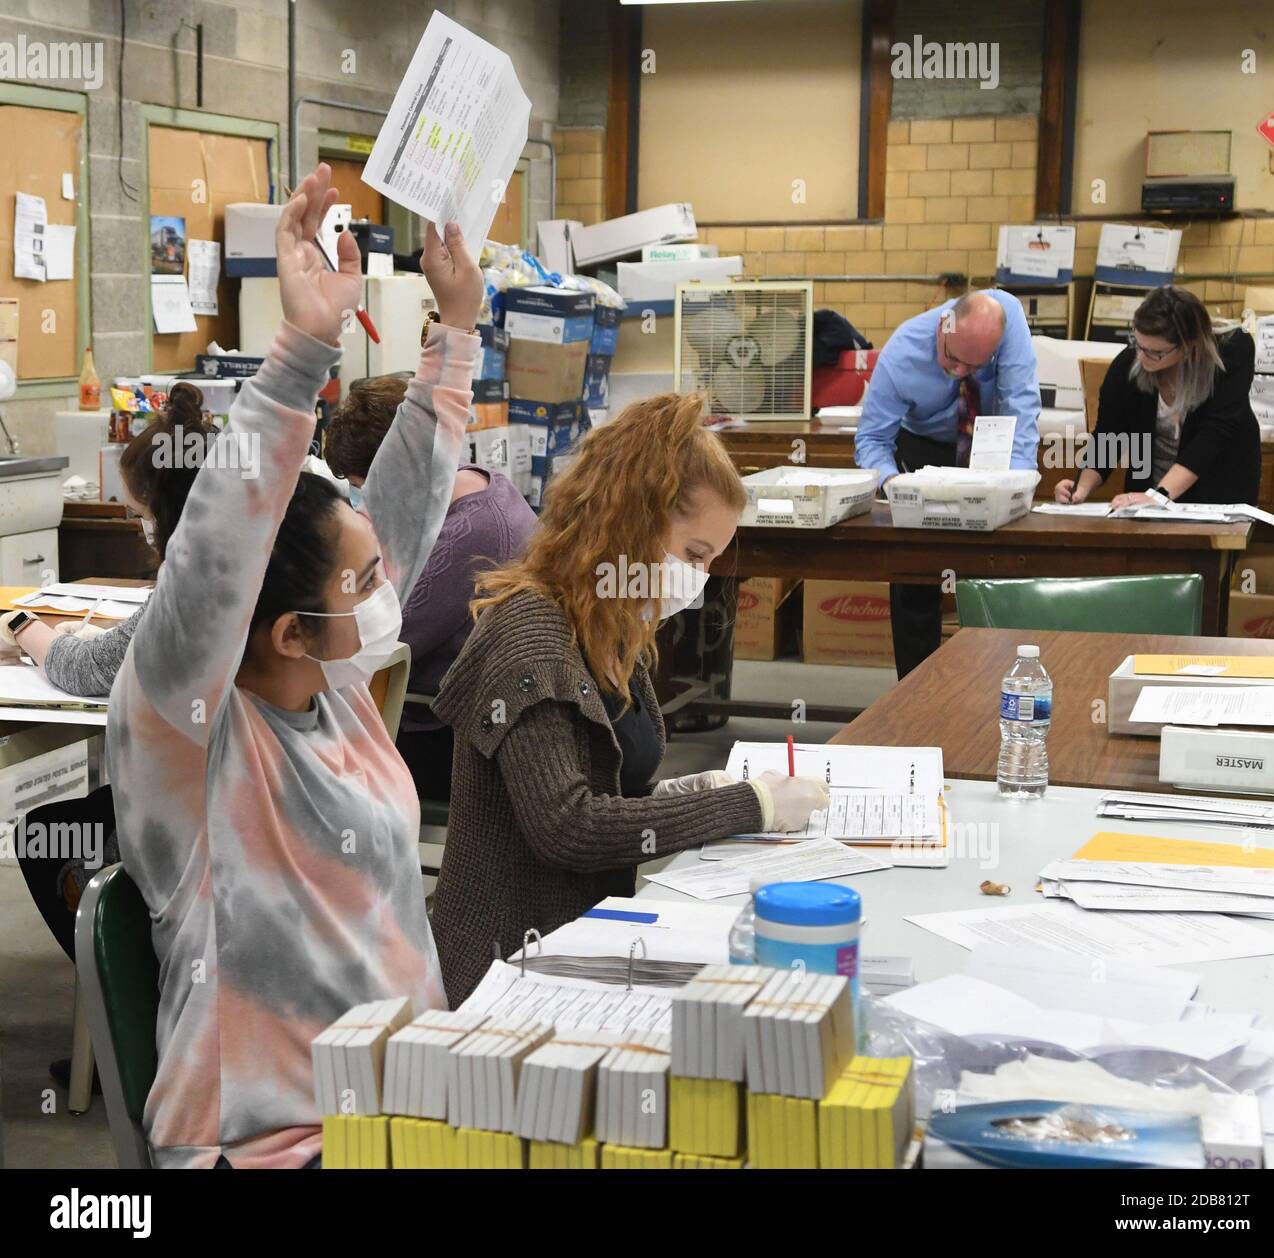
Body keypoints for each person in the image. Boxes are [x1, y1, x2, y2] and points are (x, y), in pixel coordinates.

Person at [108, 163, 482, 1168]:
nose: (385, 593)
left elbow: (401, 508)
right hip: (272, 1142)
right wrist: (300, 349)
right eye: (361, 583)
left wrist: (455, 328)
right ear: (283, 630)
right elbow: (212, 560)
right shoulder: (189, 737)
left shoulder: (338, 684)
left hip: (410, 1112)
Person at [431, 392, 830, 1007]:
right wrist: (750, 806)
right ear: (630, 520)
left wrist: (697, 794)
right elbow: (570, 828)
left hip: (580, 941)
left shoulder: (615, 628)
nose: (696, 582)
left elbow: (615, 793)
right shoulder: (529, 635)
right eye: (694, 555)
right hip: (508, 967)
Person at [2, 391, 217, 971]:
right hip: (224, 801)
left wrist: (22, 624)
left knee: (44, 833)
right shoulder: (254, 568)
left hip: (192, 823)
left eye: (143, 515)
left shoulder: (190, 590)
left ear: (170, 511)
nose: (141, 528)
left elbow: (83, 669)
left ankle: (118, 1022)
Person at [324, 375, 536, 799]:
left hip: (448, 737)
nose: (368, 502)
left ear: (399, 475)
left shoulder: (470, 537)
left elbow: (381, 644)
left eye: (367, 488)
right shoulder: (485, 487)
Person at [855, 289, 1041, 679]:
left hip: (989, 444)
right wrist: (895, 487)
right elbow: (872, 440)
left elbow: (1021, 408)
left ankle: (1000, 679)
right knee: (916, 575)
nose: (960, 372)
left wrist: (1019, 491)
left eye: (975, 366)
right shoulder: (901, 352)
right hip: (923, 450)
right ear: (944, 325)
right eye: (952, 359)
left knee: (997, 569)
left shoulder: (1008, 320)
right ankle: (914, 690)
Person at [1055, 286, 1260, 509]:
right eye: (1138, 344)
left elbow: (1214, 434)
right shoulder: (1128, 364)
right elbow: (1108, 435)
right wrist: (1081, 488)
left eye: (1155, 352)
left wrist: (1160, 495)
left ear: (1189, 344)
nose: (1142, 357)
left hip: (1217, 493)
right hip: (1148, 497)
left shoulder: (1232, 352)